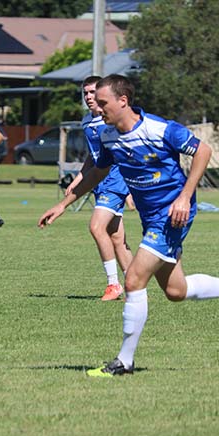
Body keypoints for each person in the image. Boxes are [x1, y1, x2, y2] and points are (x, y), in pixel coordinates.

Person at [38, 75, 219, 377]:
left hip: (173, 214)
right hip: (150, 216)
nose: (97, 105)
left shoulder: (159, 129)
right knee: (176, 290)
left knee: (134, 279)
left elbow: (203, 151)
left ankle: (124, 361)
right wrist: (63, 204)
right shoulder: (108, 135)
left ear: (123, 101)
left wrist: (185, 197)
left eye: (103, 101)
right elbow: (98, 172)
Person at [65, 75, 133, 301]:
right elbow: (94, 156)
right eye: (85, 93)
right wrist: (78, 179)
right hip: (98, 181)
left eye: (93, 92)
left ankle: (114, 284)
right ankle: (136, 287)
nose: (88, 97)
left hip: (115, 180)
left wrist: (131, 187)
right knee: (117, 238)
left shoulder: (110, 121)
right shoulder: (87, 121)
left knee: (96, 227)